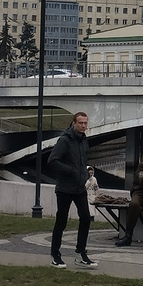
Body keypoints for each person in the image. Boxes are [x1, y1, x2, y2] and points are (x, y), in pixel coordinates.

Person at [49, 111, 98, 269]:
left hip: (79, 188)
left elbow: (83, 160)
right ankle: (55, 255)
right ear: (74, 123)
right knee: (61, 221)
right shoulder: (65, 140)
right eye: (80, 123)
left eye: (85, 123)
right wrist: (71, 171)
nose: (83, 126)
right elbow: (53, 161)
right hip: (65, 188)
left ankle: (81, 253)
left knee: (86, 218)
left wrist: (84, 173)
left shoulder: (84, 140)